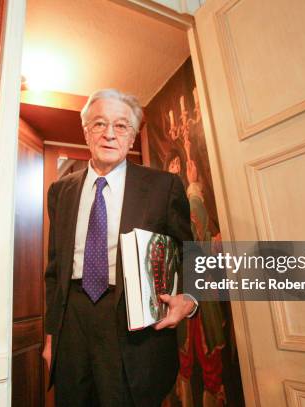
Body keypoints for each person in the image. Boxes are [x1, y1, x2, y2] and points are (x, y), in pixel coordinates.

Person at [42, 89, 198, 406]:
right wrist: (50, 337)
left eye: (121, 126)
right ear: (86, 132)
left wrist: (190, 299)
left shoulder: (163, 187)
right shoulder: (60, 190)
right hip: (73, 322)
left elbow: (192, 255)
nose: (110, 134)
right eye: (99, 124)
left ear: (131, 137)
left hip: (135, 326)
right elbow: (55, 269)